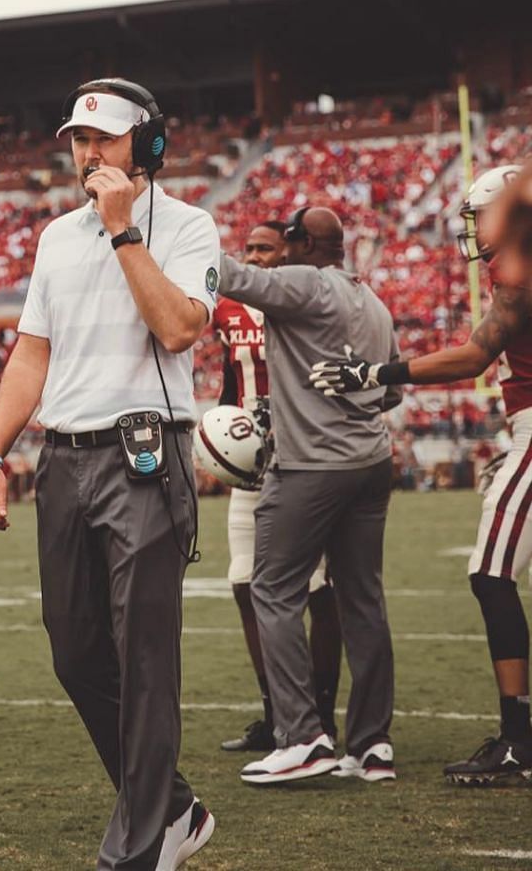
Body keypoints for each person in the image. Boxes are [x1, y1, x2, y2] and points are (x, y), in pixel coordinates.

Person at [0, 78, 218, 870]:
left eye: (104, 139)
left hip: (146, 456)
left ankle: (140, 849)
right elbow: (31, 352)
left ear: (146, 146)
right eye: (79, 140)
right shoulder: (53, 237)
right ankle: (175, 808)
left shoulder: (188, 227)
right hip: (63, 461)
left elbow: (180, 328)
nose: (87, 154)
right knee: (75, 652)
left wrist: (123, 235)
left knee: (144, 657)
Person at [311, 164, 532, 784]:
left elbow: (475, 354)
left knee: (491, 575)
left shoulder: (517, 269)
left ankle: (518, 740)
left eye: (483, 216)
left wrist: (378, 373)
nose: (476, 230)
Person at [215, 205, 399, 786]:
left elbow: (232, 276)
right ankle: (372, 744)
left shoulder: (305, 282)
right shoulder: (375, 302)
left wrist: (169, 230)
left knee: (271, 588)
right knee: (362, 598)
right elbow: (389, 391)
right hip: (372, 460)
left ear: (300, 245)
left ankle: (301, 736)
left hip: (312, 465)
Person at [213, 221, 345, 754]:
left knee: (316, 589)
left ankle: (320, 716)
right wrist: (219, 437)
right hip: (251, 458)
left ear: (288, 251)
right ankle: (275, 713)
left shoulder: (304, 299)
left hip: (304, 455)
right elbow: (229, 378)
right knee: (244, 582)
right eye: (248, 249)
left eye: (265, 248)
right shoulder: (226, 308)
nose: (255, 257)